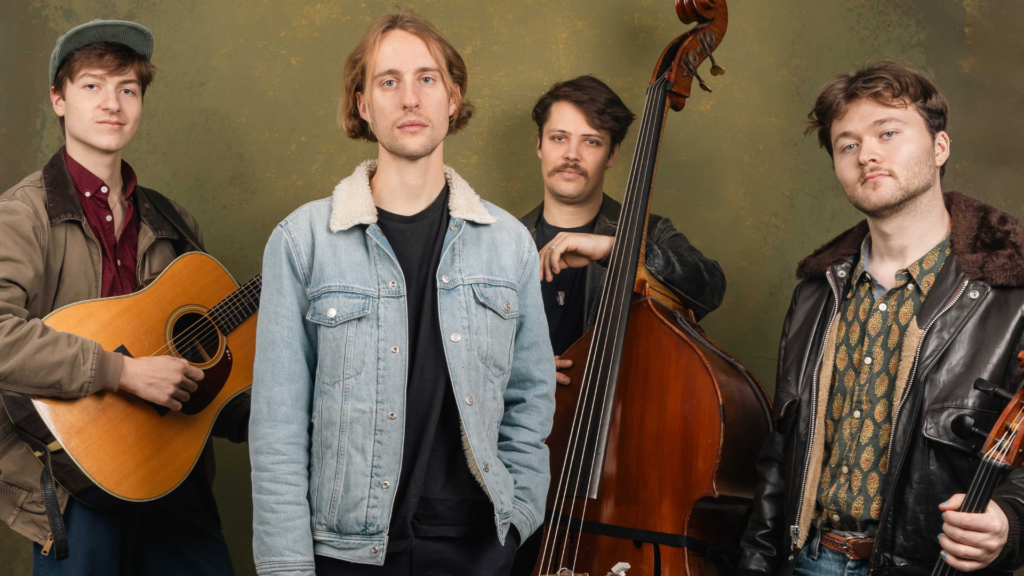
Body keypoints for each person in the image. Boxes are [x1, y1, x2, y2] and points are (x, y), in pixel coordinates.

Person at [249, 10, 555, 575]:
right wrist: (287, 567)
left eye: (426, 79)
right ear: (363, 104)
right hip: (345, 553)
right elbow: (277, 428)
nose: (410, 98)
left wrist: (516, 524)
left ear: (453, 99)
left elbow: (530, 399)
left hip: (477, 550)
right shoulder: (302, 241)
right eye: (388, 81)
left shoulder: (509, 243)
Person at [738, 60, 1024, 575]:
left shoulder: (1012, 291)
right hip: (809, 561)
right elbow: (779, 456)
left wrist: (1011, 520)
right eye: (847, 144)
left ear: (940, 147)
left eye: (887, 133)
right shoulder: (815, 294)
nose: (866, 153)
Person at [0, 19, 248, 576]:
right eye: (92, 86)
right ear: (58, 99)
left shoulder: (174, 221)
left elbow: (202, 360)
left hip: (175, 477)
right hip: (74, 484)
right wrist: (121, 372)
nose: (112, 103)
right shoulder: (20, 216)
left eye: (128, 89)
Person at [512, 74, 728, 575]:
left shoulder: (650, 235)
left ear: (610, 155)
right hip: (520, 470)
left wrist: (619, 250)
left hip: (615, 475)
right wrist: (511, 368)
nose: (572, 154)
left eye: (591, 142)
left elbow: (709, 288)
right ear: (539, 146)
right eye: (559, 138)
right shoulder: (500, 242)